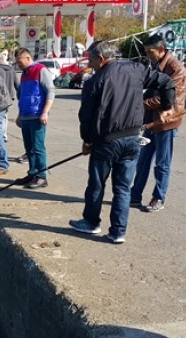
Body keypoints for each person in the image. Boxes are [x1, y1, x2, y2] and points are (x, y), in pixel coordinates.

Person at [69, 40, 175, 244]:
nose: (89, 63)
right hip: (132, 139)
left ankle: (91, 222)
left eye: (90, 59)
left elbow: (86, 117)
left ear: (100, 58)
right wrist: (167, 107)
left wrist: (87, 141)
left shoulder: (94, 82)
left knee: (97, 184)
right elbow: (167, 83)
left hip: (106, 142)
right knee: (123, 188)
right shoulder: (137, 69)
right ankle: (118, 231)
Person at [130, 34, 186, 212]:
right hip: (151, 121)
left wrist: (139, 104)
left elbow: (166, 98)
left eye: (150, 52)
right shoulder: (154, 64)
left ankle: (158, 197)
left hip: (166, 121)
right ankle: (134, 196)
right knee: (143, 160)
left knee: (162, 163)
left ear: (161, 49)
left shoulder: (176, 68)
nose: (148, 55)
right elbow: (149, 90)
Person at [14, 48, 55, 189]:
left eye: (20, 62)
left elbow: (50, 91)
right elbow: (22, 96)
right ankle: (33, 173)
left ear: (27, 58)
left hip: (37, 116)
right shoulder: (24, 75)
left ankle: (42, 176)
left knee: (38, 148)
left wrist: (45, 112)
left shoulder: (40, 70)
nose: (18, 66)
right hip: (25, 116)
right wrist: (19, 115)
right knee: (29, 148)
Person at [0, 50, 19, 142]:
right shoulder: (11, 69)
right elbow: (17, 84)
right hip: (10, 96)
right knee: (5, 116)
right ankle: (4, 135)